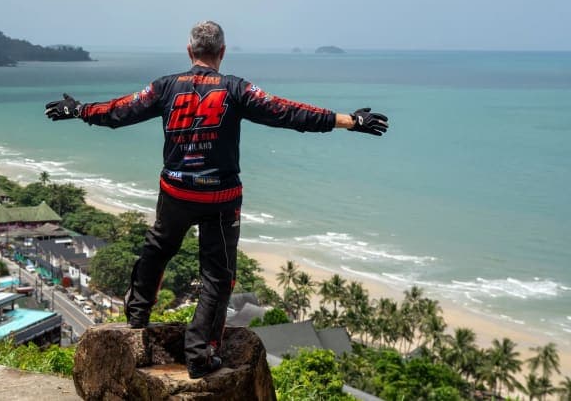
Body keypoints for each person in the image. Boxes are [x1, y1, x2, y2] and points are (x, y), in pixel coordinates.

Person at [45, 21, 388, 379]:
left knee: (158, 248)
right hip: (221, 198)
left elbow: (119, 111)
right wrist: (350, 120)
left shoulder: (165, 87)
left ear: (190, 51)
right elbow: (287, 112)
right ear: (222, 52)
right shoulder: (236, 88)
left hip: (176, 191)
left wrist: (78, 110)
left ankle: (137, 315)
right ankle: (201, 354)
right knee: (218, 276)